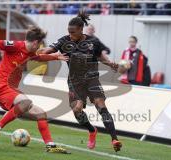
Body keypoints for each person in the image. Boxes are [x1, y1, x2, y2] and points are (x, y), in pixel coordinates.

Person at [0, 26, 69, 154]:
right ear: (35, 42)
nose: (38, 48)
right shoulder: (15, 46)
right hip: (2, 87)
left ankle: (50, 145)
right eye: (39, 45)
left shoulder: (30, 52)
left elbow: (38, 57)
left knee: (41, 114)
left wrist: (55, 57)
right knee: (26, 102)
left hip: (13, 91)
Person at [39, 10, 122, 152]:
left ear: (81, 30)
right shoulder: (64, 40)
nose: (71, 35)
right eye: (69, 32)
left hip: (92, 79)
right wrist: (38, 49)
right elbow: (47, 50)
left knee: (100, 105)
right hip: (75, 81)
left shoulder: (93, 41)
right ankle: (91, 130)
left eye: (73, 33)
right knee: (77, 109)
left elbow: (100, 57)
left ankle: (114, 139)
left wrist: (110, 64)